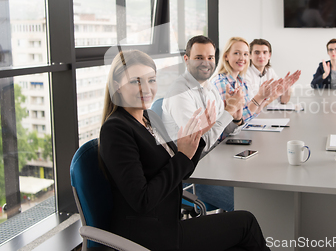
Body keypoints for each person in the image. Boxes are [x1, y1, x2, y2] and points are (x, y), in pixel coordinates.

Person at [98, 49, 271, 251]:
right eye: (136, 81)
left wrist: (196, 140)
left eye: (151, 80)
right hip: (148, 236)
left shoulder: (149, 118)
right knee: (245, 224)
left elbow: (182, 169)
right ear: (118, 86)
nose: (146, 88)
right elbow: (142, 200)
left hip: (168, 223)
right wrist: (182, 155)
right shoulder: (116, 129)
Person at [162, 35, 244, 212]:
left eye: (210, 57)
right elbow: (201, 145)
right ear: (186, 59)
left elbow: (219, 132)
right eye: (199, 58)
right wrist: (228, 112)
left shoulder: (209, 86)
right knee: (252, 201)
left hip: (215, 164)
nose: (206, 63)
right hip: (195, 175)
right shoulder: (179, 93)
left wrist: (235, 117)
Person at [211, 37, 296, 123]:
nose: (242, 58)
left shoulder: (240, 81)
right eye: (237, 53)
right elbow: (233, 121)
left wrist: (283, 89)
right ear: (226, 56)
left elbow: (250, 110)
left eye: (245, 54)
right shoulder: (221, 82)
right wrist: (262, 97)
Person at [245, 38, 301, 104]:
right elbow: (252, 105)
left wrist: (287, 87)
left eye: (265, 52)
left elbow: (283, 100)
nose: (261, 56)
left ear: (269, 55)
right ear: (250, 55)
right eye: (257, 52)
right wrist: (277, 93)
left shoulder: (270, 71)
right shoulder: (245, 73)